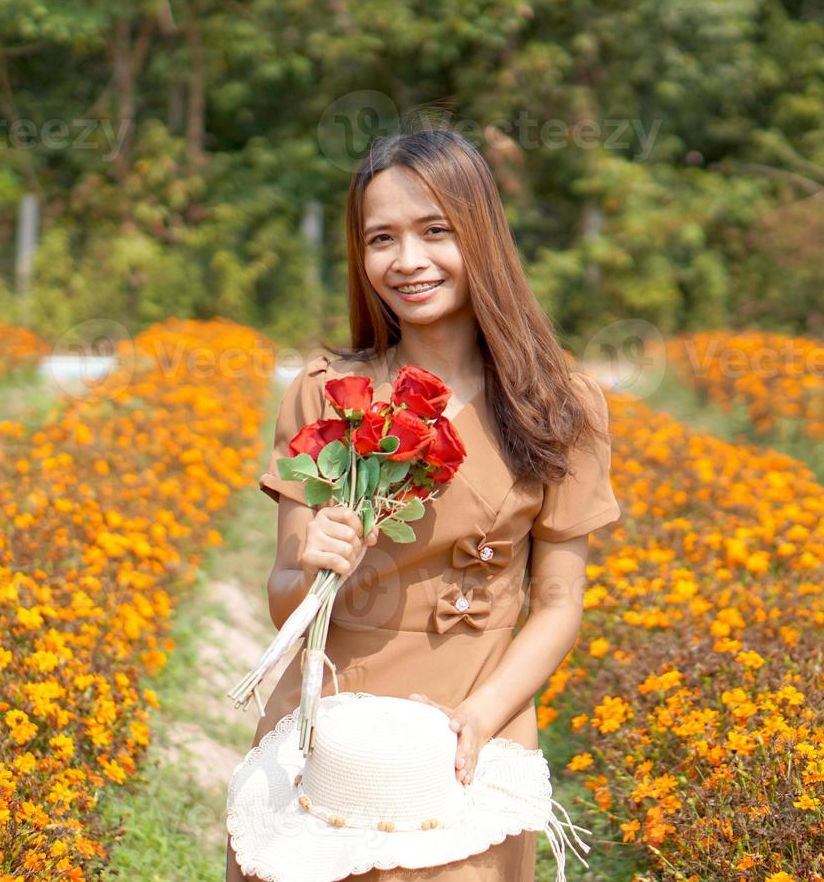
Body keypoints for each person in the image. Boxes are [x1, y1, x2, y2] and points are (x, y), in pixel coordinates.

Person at [226, 127, 621, 881]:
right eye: (382, 238)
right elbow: (284, 603)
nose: (408, 261)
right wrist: (310, 567)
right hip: (334, 727)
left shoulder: (563, 407)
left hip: (477, 721)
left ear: (480, 233)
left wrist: (480, 717)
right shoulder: (327, 395)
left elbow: (559, 604)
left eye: (434, 231)